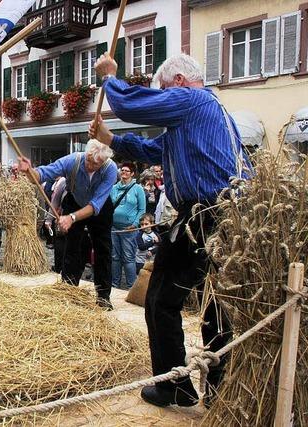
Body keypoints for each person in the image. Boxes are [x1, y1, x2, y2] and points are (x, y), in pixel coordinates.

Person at [89, 52, 250, 407]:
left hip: (204, 217)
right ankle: (221, 393)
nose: (164, 96)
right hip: (227, 218)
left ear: (178, 81)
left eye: (165, 89)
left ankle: (173, 385)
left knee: (161, 300)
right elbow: (153, 149)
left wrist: (110, 78)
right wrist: (111, 139)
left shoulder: (191, 100)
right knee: (217, 307)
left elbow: (134, 105)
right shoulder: (204, 116)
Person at [18, 140, 117, 309]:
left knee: (103, 249)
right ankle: (68, 290)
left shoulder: (110, 169)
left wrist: (71, 218)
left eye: (97, 164)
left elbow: (95, 205)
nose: (92, 166)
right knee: (72, 247)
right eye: (89, 161)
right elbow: (42, 175)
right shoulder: (73, 160)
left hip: (99, 208)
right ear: (86, 155)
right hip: (75, 200)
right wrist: (29, 171)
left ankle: (103, 295)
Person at [110, 162, 146, 290]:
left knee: (128, 258)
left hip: (129, 229)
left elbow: (142, 209)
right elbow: (108, 206)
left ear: (132, 173)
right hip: (114, 228)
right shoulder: (114, 188)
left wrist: (135, 224)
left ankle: (132, 287)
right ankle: (115, 285)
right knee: (115, 257)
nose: (123, 172)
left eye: (126, 171)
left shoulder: (138, 189)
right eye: (122, 170)